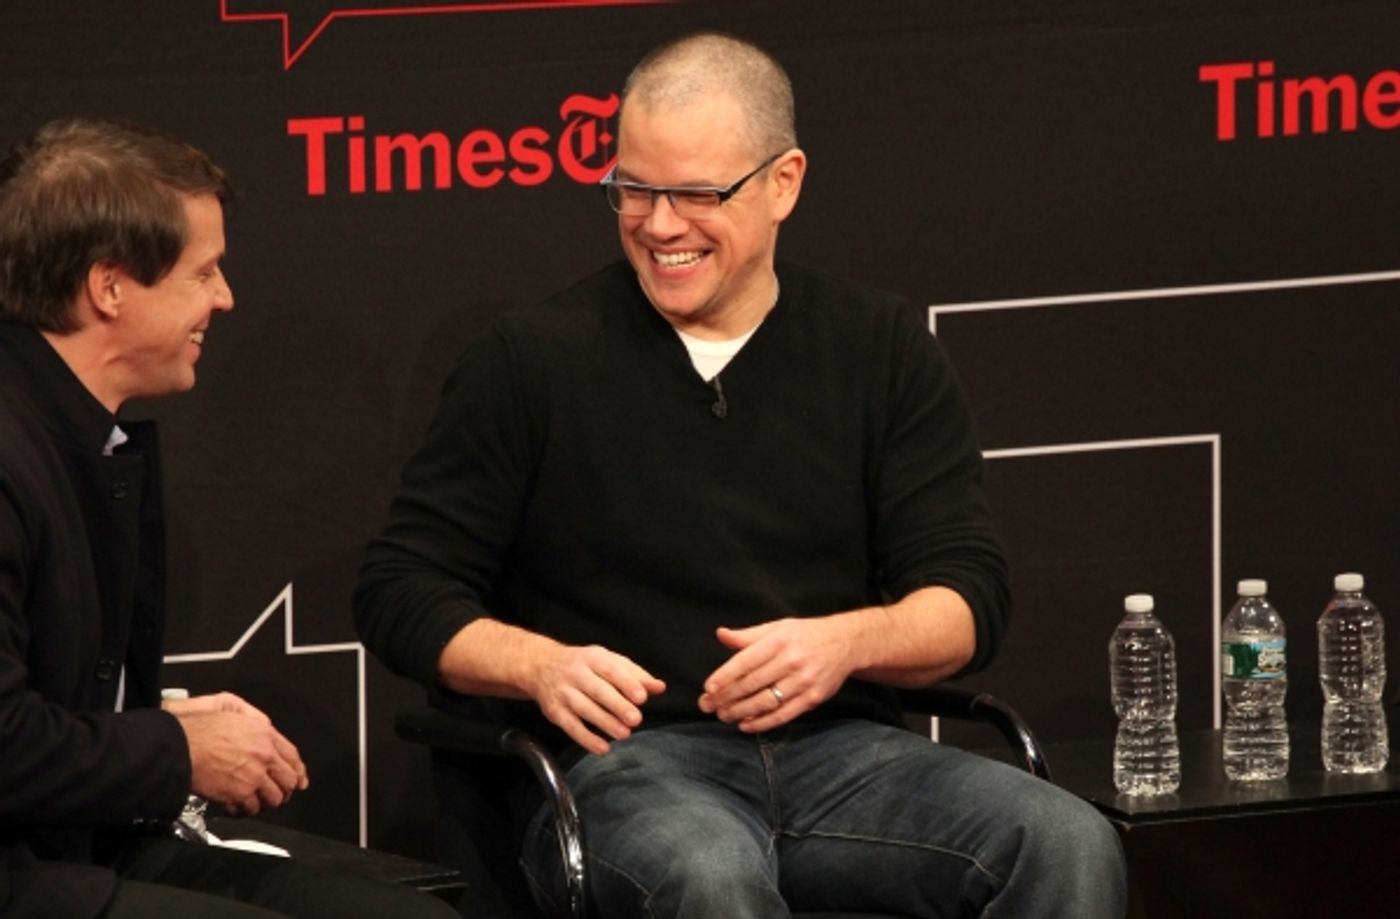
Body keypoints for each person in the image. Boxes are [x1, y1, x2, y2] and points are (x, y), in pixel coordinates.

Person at [355, 32, 1127, 918]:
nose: (659, 224)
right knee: (711, 873)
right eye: (632, 189)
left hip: (844, 757)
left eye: (695, 193)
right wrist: (540, 664)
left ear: (783, 183)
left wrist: (843, 643)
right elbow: (398, 589)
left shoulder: (877, 348)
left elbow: (967, 599)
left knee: (1066, 839)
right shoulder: (531, 361)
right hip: (629, 767)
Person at [0, 117, 457, 919]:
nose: (225, 296)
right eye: (203, 271)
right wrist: (176, 750)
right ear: (110, 287)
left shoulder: (75, 432)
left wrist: (169, 722)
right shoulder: (9, 453)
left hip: (84, 843)